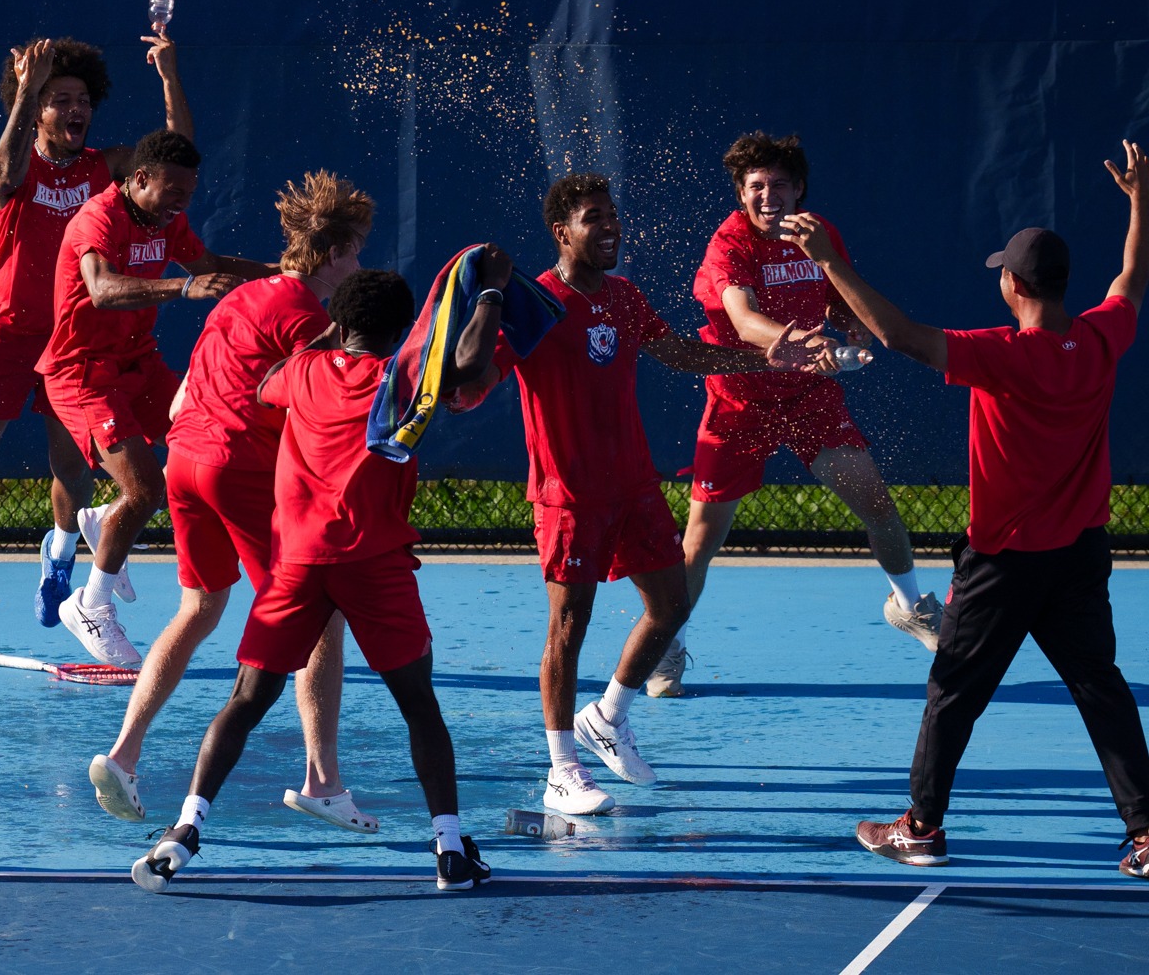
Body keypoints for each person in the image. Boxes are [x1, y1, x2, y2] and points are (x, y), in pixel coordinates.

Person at [132, 265, 506, 894]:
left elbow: (268, 384)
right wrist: (489, 292)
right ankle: (449, 849)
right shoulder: (402, 379)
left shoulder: (300, 373)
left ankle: (183, 833)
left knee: (246, 702)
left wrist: (327, 335)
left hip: (297, 566)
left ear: (340, 324)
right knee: (420, 706)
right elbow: (468, 366)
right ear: (398, 332)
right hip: (374, 566)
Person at [455, 174, 820, 815]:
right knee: (568, 626)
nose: (610, 228)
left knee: (672, 604)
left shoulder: (625, 297)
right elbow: (472, 375)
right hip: (568, 496)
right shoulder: (534, 304)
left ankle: (609, 715)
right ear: (561, 231)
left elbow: (680, 353)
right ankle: (562, 769)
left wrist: (766, 360)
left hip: (634, 487)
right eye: (594, 218)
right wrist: (485, 309)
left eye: (613, 216)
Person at [837, 140, 1149, 877]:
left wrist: (829, 260)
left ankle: (920, 829)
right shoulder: (1102, 338)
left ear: (1011, 286)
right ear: (1065, 286)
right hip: (1078, 555)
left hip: (1004, 562)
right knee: (1100, 688)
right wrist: (1140, 202)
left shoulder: (1001, 354)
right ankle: (1146, 833)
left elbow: (896, 335)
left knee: (951, 694)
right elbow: (1132, 280)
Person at [88, 171, 373, 831]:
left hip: (183, 462)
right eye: (355, 250)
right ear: (332, 254)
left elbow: (187, 394)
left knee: (201, 605)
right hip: (234, 466)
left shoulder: (241, 300)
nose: (360, 263)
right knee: (321, 613)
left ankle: (123, 756)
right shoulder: (308, 319)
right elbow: (324, 409)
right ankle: (322, 781)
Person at [0, 32, 192, 626]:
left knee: (71, 465)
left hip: (74, 341)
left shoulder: (106, 169)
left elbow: (175, 151)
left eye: (82, 98)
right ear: (36, 107)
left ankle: (58, 558)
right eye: (60, 99)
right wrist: (27, 93)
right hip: (5, 333)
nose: (75, 108)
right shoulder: (6, 162)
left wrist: (168, 77)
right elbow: (3, 173)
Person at [660, 132, 941, 697]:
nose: (768, 196)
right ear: (741, 195)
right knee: (700, 541)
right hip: (739, 402)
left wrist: (850, 322)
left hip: (809, 400)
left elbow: (837, 290)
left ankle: (911, 606)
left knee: (878, 505)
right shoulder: (728, 247)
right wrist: (804, 347)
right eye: (756, 187)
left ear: (799, 190)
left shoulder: (818, 233)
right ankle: (667, 642)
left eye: (779, 184)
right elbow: (741, 320)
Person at [36, 130, 274, 664]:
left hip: (138, 365)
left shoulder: (167, 220)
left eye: (188, 198)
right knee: (145, 491)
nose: (179, 206)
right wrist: (181, 289)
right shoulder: (95, 220)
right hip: (81, 375)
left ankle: (104, 521)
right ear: (139, 178)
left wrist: (284, 274)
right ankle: (90, 607)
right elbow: (101, 288)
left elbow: (208, 262)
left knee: (208, 441)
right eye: (173, 194)